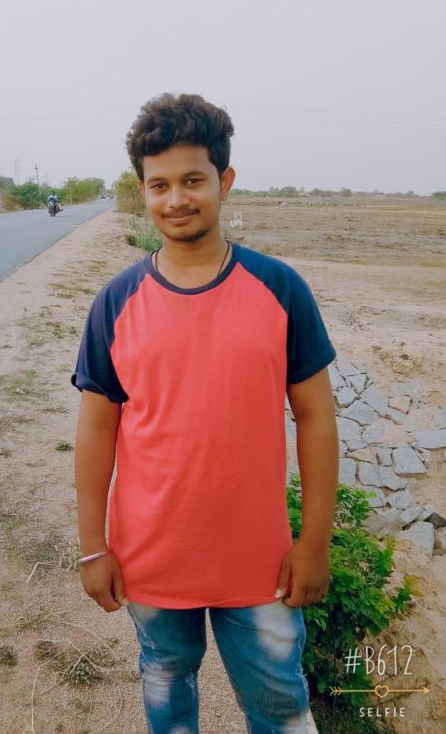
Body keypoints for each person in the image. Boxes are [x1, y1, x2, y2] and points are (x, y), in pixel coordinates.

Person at [71, 93, 339, 733]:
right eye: (159, 185)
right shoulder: (116, 301)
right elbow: (97, 428)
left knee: (280, 705)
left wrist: (314, 542)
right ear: (142, 191)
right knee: (167, 692)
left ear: (225, 180)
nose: (176, 199)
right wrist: (91, 549)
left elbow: (316, 417)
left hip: (260, 561)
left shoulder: (279, 289)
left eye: (193, 180)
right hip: (152, 558)